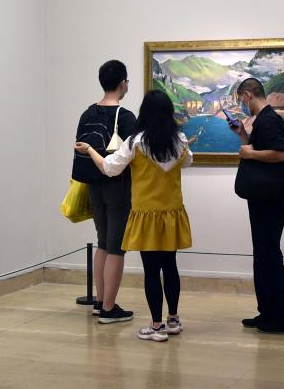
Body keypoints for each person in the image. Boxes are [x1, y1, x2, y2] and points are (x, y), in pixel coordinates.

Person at [76, 89, 193, 343]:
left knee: (151, 271)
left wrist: (90, 150)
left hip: (145, 215)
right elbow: (187, 162)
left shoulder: (135, 142)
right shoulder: (180, 140)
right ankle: (173, 319)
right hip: (171, 213)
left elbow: (109, 168)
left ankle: (157, 326)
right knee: (170, 266)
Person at [229, 77, 284, 335]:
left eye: (241, 99)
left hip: (270, 201)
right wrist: (243, 136)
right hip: (264, 198)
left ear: (248, 95)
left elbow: (282, 154)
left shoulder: (268, 120)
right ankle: (268, 312)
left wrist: (250, 153)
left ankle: (283, 319)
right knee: (264, 255)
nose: (241, 104)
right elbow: (262, 150)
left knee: (269, 256)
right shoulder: (264, 120)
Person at [72, 60, 137, 323]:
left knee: (102, 242)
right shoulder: (126, 117)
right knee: (117, 246)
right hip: (118, 186)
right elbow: (135, 155)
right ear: (122, 83)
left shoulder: (87, 114)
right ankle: (109, 309)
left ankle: (100, 301)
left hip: (92, 185)